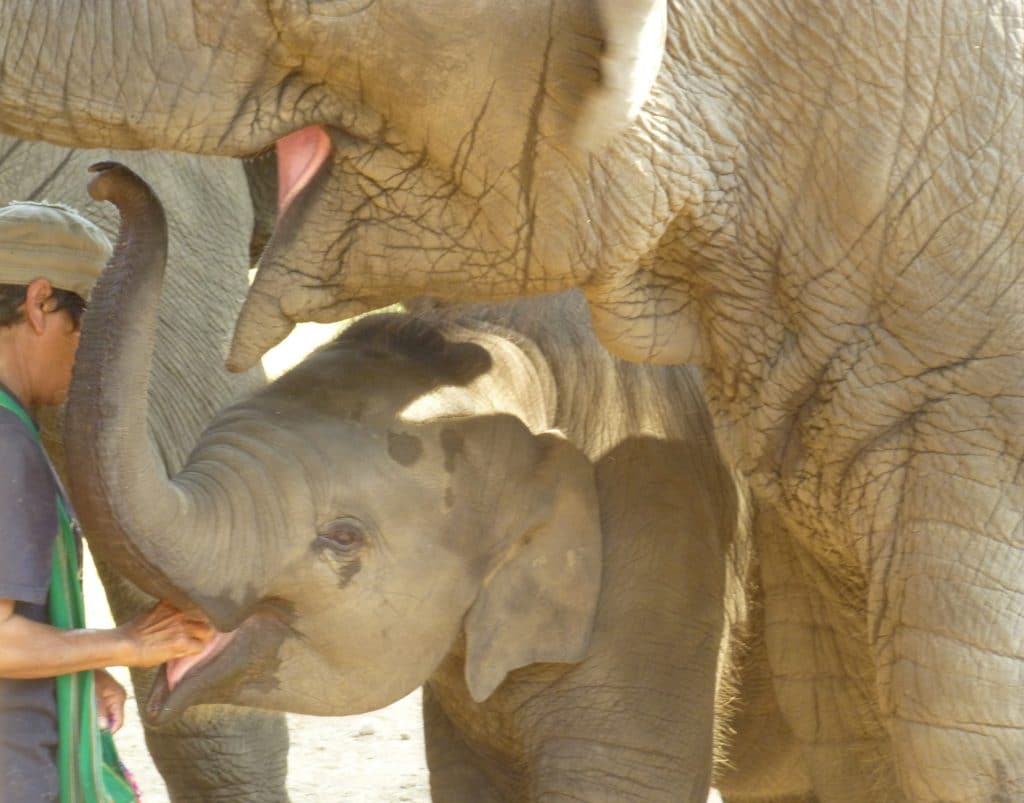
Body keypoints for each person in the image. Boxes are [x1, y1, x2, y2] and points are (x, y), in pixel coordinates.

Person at [0, 200, 214, 802]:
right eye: (94, 324)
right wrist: (128, 643)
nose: (98, 351)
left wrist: (72, 662)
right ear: (41, 304)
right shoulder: (6, 443)